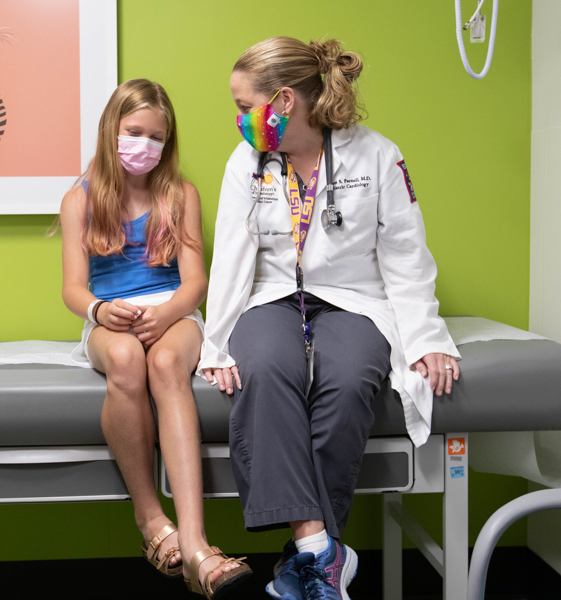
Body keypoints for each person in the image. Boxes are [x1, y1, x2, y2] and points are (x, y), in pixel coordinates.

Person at [198, 37, 462, 600]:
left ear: (285, 100)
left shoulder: (376, 156)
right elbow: (232, 256)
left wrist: (425, 337)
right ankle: (323, 551)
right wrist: (216, 343)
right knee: (265, 371)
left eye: (245, 105)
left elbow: (405, 256)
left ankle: (307, 558)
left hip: (353, 297)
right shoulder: (246, 161)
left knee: (346, 384)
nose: (238, 118)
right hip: (269, 295)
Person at [60, 79, 251, 599]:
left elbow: (195, 281)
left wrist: (167, 313)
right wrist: (102, 310)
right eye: (134, 132)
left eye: (156, 137)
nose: (144, 144)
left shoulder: (180, 194)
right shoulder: (79, 199)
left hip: (173, 309)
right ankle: (151, 521)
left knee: (167, 368)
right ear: (111, 130)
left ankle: (195, 544)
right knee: (124, 360)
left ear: (167, 142)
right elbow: (74, 290)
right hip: (111, 316)